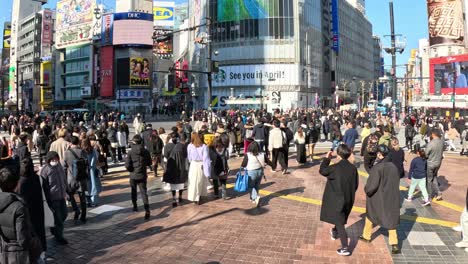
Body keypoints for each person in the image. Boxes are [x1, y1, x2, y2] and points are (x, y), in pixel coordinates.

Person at [360, 144, 401, 254]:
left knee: (370, 215)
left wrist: (367, 190)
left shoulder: (377, 168)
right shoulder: (393, 166)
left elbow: (371, 187)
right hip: (391, 197)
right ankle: (394, 244)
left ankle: (366, 236)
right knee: (391, 220)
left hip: (378, 198)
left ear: (380, 154)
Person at [319, 144, 358, 256]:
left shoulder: (335, 168)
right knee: (340, 217)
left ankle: (345, 247)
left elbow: (322, 170)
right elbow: (355, 185)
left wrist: (327, 158)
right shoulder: (353, 168)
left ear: (338, 154)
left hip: (337, 199)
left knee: (340, 222)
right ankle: (335, 232)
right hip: (349, 198)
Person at [0, 168, 42, 263]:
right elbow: (23, 239)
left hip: (3, 253)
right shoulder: (19, 207)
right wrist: (36, 244)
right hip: (19, 255)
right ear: (16, 184)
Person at [40, 151, 68, 245]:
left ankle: (54, 228)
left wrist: (66, 191)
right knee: (58, 219)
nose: (55, 161)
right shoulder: (45, 170)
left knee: (64, 214)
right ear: (48, 160)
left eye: (56, 159)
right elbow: (43, 186)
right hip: (53, 198)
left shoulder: (59, 166)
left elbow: (63, 179)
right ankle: (59, 237)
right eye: (53, 159)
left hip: (61, 196)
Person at [125, 135, 152, 220]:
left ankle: (135, 206)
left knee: (133, 191)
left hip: (133, 175)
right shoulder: (145, 151)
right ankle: (147, 209)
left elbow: (127, 165)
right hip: (143, 174)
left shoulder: (130, 152)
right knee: (144, 192)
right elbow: (149, 162)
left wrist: (131, 170)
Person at [64, 136, 88, 223]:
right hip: (81, 178)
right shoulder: (82, 152)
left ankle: (76, 210)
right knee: (82, 197)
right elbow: (87, 164)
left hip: (71, 178)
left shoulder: (66, 153)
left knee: (70, 194)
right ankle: (84, 215)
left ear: (70, 143)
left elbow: (64, 166)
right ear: (78, 142)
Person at [163, 134, 188, 207]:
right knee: (181, 182)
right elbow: (186, 157)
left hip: (172, 167)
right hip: (181, 167)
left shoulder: (173, 147)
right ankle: (180, 196)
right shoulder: (183, 147)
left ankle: (174, 198)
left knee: (173, 184)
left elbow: (166, 156)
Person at [187, 132, 211, 204]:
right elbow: (206, 158)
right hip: (201, 164)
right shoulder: (204, 146)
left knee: (193, 181)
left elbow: (189, 157)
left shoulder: (190, 146)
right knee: (200, 181)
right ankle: (199, 196)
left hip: (193, 164)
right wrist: (207, 170)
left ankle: (194, 197)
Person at [241, 141, 265, 207]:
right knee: (256, 185)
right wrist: (273, 165)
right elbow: (268, 161)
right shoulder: (262, 154)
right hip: (260, 171)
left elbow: (243, 164)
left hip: (251, 172)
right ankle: (253, 198)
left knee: (251, 186)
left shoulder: (248, 155)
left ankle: (255, 197)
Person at [82, 137, 101, 207]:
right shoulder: (93, 150)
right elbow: (96, 158)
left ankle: (88, 201)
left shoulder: (82, 151)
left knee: (86, 186)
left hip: (85, 170)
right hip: (92, 170)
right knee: (93, 185)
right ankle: (94, 201)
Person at [426, 129, 444, 201]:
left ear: (433, 134)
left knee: (429, 179)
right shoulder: (441, 142)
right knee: (434, 177)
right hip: (438, 163)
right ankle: (438, 193)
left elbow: (426, 154)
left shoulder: (431, 143)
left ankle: (429, 196)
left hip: (431, 163)